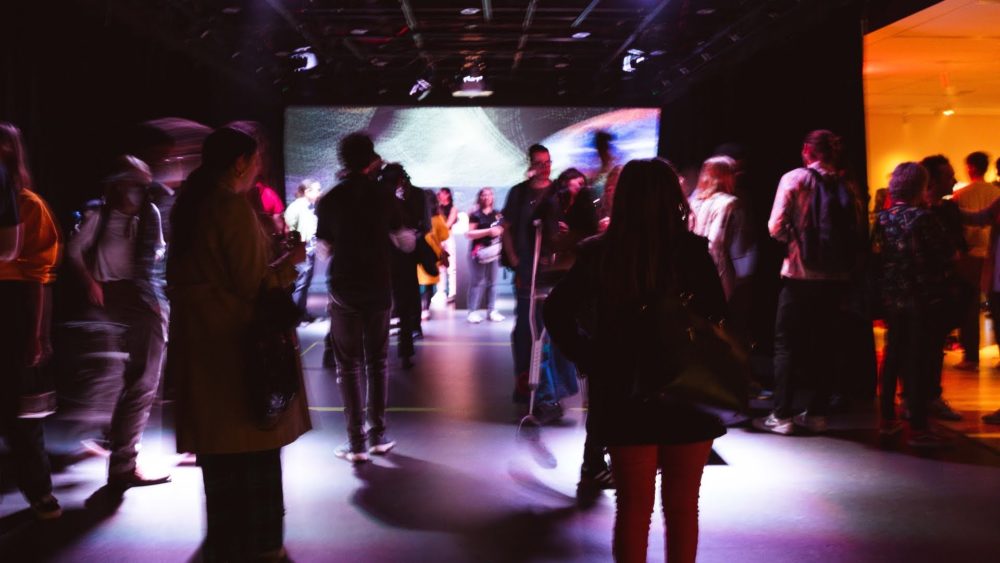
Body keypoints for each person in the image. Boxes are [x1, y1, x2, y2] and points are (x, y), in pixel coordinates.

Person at [545, 158, 726, 563]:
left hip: (623, 389)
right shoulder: (692, 252)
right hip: (686, 389)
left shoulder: (601, 253)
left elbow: (556, 311)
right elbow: (718, 316)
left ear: (623, 198)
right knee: (683, 507)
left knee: (633, 508)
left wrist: (591, 356)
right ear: (672, 197)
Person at [166, 126, 310, 561]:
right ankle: (263, 543)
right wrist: (290, 262)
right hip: (237, 350)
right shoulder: (229, 207)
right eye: (257, 158)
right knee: (256, 451)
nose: (259, 167)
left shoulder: (191, 204)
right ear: (240, 163)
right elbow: (252, 285)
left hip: (203, 347)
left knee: (219, 457)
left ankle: (224, 540)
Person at [66, 155, 172, 492]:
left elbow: (157, 259)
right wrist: (90, 282)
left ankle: (123, 457)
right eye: (133, 182)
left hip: (142, 299)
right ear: (118, 183)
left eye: (143, 183)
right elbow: (74, 250)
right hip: (115, 297)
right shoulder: (99, 213)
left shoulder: (150, 214)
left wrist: (155, 300)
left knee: (141, 380)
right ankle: (123, 463)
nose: (139, 189)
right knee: (140, 381)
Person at [755, 130, 864, 436]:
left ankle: (781, 414)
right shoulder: (848, 183)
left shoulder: (795, 179)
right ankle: (817, 414)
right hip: (837, 278)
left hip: (799, 274)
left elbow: (775, 226)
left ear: (807, 150)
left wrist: (795, 242)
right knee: (826, 344)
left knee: (787, 344)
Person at [315, 133, 401, 462]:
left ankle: (356, 443)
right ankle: (378, 434)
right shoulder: (384, 196)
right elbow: (402, 238)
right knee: (377, 362)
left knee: (348, 366)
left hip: (344, 288)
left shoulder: (331, 199)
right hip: (378, 286)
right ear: (370, 159)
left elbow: (324, 247)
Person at [0, 122, 63, 519]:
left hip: (13, 306)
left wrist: (37, 333)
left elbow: (38, 276)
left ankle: (39, 490)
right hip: (14, 302)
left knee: (22, 410)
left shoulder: (28, 204)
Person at [875, 162, 955, 448]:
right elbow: (945, 254)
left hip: (892, 297)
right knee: (919, 360)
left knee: (892, 356)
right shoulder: (923, 218)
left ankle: (887, 420)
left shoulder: (882, 218)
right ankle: (919, 427)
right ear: (920, 186)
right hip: (922, 297)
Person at [502, 144, 578, 423]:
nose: (544, 168)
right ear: (530, 164)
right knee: (526, 331)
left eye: (547, 162)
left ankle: (549, 394)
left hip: (554, 272)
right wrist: (513, 259)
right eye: (539, 163)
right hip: (527, 269)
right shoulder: (519, 193)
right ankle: (528, 389)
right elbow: (507, 229)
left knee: (552, 332)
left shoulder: (559, 192)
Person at [687, 156, 756, 340]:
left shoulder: (693, 202)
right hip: (719, 273)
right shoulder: (730, 203)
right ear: (727, 176)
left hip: (692, 271)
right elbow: (723, 244)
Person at [949, 151, 1000, 370]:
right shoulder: (997, 194)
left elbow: (978, 218)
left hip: (973, 256)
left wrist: (948, 209)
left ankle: (971, 356)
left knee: (970, 307)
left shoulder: (962, 194)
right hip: (991, 258)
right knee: (995, 308)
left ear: (971, 167)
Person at [382, 163, 428, 367]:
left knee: (383, 306)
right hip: (401, 260)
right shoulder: (402, 201)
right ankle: (406, 352)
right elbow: (417, 230)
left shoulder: (374, 200)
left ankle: (381, 352)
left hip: (381, 260)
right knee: (405, 304)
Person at [284, 179, 321, 322]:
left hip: (309, 250)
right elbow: (287, 228)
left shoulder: (311, 206)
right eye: (317, 190)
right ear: (307, 191)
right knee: (300, 283)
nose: (320, 193)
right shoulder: (296, 207)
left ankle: (301, 312)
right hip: (301, 251)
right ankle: (295, 316)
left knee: (305, 283)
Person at [466, 188, 504, 323]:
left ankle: (491, 310)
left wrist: (500, 231)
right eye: (484, 195)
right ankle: (472, 311)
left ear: (493, 197)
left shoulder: (497, 214)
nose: (487, 197)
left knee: (493, 283)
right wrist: (488, 231)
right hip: (479, 252)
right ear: (480, 197)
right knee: (477, 282)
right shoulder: (475, 214)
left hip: (494, 252)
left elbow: (502, 229)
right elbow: (469, 234)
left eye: (489, 194)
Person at [435, 187, 458, 302]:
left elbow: (448, 224)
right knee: (440, 266)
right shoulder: (437, 207)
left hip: (448, 237)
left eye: (442, 193)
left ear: (448, 194)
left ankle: (452, 292)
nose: (439, 195)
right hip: (438, 238)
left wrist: (441, 229)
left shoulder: (453, 208)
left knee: (451, 266)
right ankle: (441, 291)